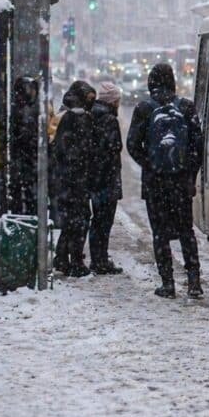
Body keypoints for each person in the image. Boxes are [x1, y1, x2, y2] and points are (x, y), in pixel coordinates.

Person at [127, 63, 204, 299]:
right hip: (181, 182)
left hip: (155, 184)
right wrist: (188, 172)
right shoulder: (186, 107)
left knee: (159, 233)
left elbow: (132, 145)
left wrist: (151, 164)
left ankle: (168, 283)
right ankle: (194, 282)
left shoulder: (144, 108)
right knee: (185, 232)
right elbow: (197, 146)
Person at [51, 80, 95, 277]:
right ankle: (74, 261)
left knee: (72, 220)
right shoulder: (80, 118)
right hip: (76, 180)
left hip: (67, 179)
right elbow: (80, 151)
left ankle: (62, 257)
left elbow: (61, 149)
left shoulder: (68, 116)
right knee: (79, 219)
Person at [88, 82, 124, 275]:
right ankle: (100, 259)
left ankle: (98, 258)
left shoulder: (92, 114)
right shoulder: (109, 119)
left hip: (94, 178)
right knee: (104, 221)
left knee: (97, 220)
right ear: (113, 101)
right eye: (118, 100)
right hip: (106, 179)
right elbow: (114, 148)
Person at [9, 76, 39, 215]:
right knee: (27, 190)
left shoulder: (24, 107)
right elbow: (24, 134)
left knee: (24, 190)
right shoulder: (25, 109)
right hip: (26, 156)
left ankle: (23, 214)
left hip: (25, 156)